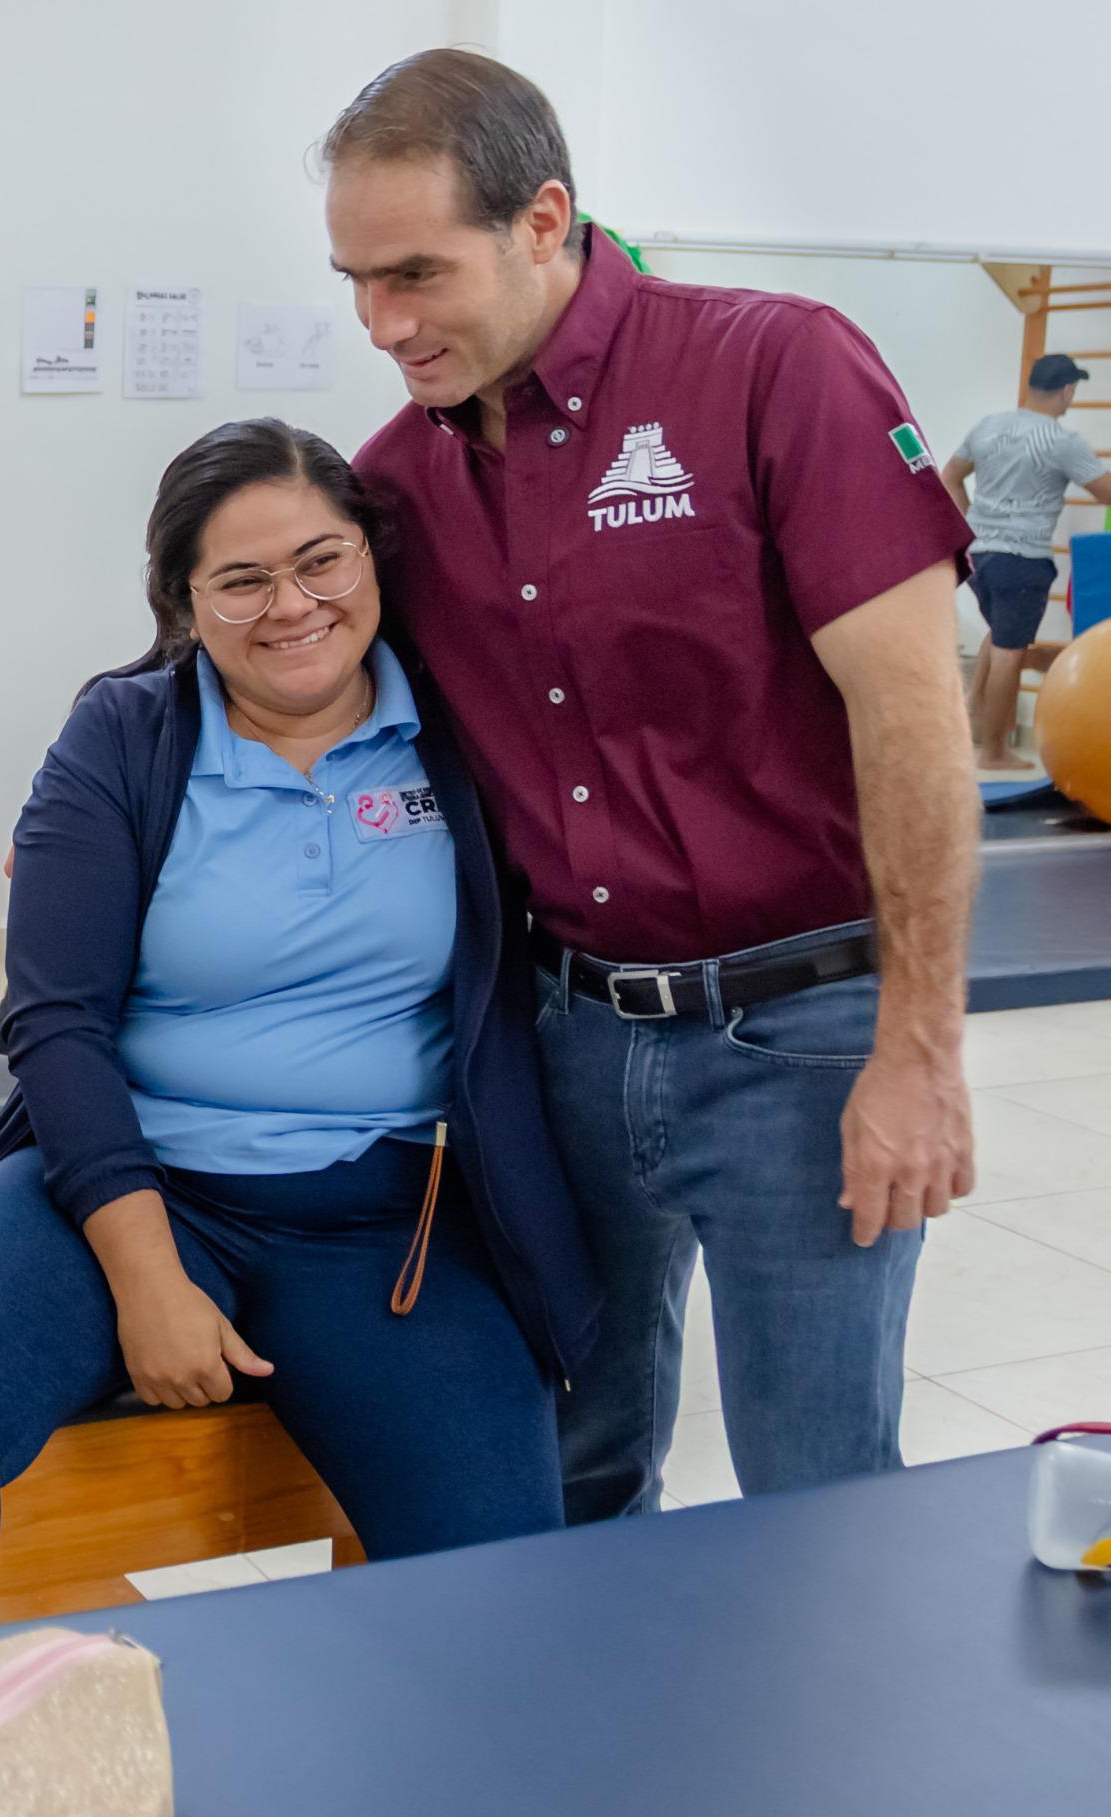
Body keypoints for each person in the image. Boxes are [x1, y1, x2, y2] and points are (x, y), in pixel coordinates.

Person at [327, 49, 980, 1523]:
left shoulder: (774, 366)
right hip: (563, 1042)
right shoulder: (395, 482)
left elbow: (917, 725)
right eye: (357, 281)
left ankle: (813, 1761)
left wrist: (921, 1052)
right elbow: (269, 656)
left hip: (804, 1041)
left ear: (544, 219)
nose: (383, 322)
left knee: (818, 1499)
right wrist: (115, 792)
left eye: (417, 274)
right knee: (570, 1471)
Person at [0, 421, 600, 1649]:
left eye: (320, 561)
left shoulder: (461, 733)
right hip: (125, 1183)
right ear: (182, 600)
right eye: (240, 580)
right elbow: (57, 1020)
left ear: (372, 560)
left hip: (383, 1214)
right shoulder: (124, 736)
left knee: (498, 1581)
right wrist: (151, 1284)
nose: (290, 605)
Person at [945, 355, 1111, 769]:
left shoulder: (989, 426)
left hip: (978, 556)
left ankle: (971, 721)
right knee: (1010, 651)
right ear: (1067, 390)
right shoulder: (1060, 441)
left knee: (997, 637)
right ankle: (995, 751)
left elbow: (950, 475)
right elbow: (1107, 492)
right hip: (1022, 560)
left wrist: (974, 526)